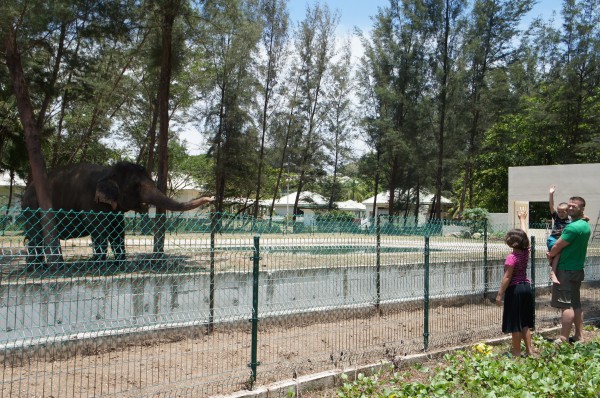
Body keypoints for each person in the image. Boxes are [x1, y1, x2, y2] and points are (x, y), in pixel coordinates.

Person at [546, 196, 591, 343]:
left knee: (566, 306)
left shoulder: (572, 227)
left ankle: (563, 338)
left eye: (574, 206)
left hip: (565, 270)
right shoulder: (585, 226)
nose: (571, 208)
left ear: (582, 209)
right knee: (575, 304)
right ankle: (579, 336)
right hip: (577, 269)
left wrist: (551, 255)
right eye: (570, 205)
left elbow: (557, 246)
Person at [496, 209, 534, 357]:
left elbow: (507, 277)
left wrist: (500, 294)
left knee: (515, 323)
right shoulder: (525, 251)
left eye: (509, 238)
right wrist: (522, 219)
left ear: (514, 243)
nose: (507, 238)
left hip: (515, 290)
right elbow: (525, 237)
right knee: (524, 322)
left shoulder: (511, 257)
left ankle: (517, 353)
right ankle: (529, 350)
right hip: (526, 288)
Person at [547, 185, 570, 284]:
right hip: (553, 239)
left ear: (568, 212)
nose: (560, 213)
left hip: (561, 240)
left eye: (563, 212)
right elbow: (551, 206)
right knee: (559, 252)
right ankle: (553, 273)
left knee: (559, 254)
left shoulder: (571, 222)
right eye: (559, 211)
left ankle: (550, 259)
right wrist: (551, 194)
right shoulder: (556, 217)